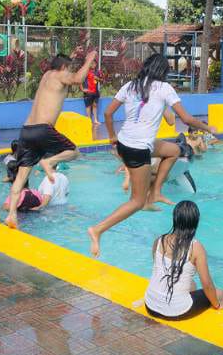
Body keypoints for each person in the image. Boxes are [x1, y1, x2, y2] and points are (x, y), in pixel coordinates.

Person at [87, 54, 216, 258]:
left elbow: (107, 114)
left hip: (124, 143)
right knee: (136, 201)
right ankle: (98, 229)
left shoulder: (130, 85)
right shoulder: (164, 88)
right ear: (163, 72)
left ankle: (154, 193)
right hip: (138, 149)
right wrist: (208, 127)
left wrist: (112, 136)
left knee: (174, 151)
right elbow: (186, 118)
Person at [6, 51, 97, 229]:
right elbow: (78, 79)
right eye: (69, 67)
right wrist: (88, 61)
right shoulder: (60, 74)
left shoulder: (47, 75)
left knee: (21, 178)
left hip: (27, 131)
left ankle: (11, 216)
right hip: (43, 129)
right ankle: (48, 162)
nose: (69, 71)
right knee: (74, 152)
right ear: (64, 67)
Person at [144, 201, 223, 319]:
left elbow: (158, 269)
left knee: (192, 284)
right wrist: (217, 305)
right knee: (219, 294)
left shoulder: (159, 240)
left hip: (150, 305)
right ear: (195, 222)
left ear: (175, 219)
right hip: (177, 311)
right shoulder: (196, 247)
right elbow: (207, 285)